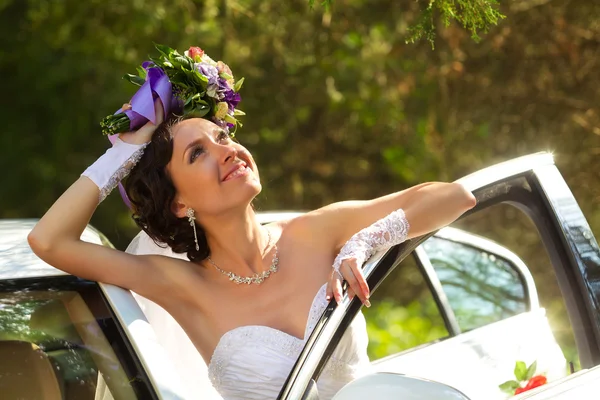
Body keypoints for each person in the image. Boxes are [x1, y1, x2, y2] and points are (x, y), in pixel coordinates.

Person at [28, 95, 476, 399]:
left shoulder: (314, 233)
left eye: (222, 138)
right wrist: (125, 151)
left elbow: (455, 196)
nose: (226, 150)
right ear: (180, 202)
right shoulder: (181, 287)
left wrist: (364, 241)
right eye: (196, 154)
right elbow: (49, 241)